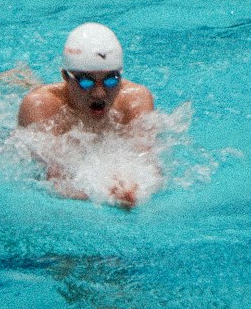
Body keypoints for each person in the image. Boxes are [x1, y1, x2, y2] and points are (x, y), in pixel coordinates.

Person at [17, 23, 156, 207]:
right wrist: (106, 195)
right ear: (65, 77)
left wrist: (134, 188)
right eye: (86, 82)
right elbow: (55, 180)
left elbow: (148, 163)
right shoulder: (41, 106)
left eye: (111, 79)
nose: (99, 93)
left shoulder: (135, 100)